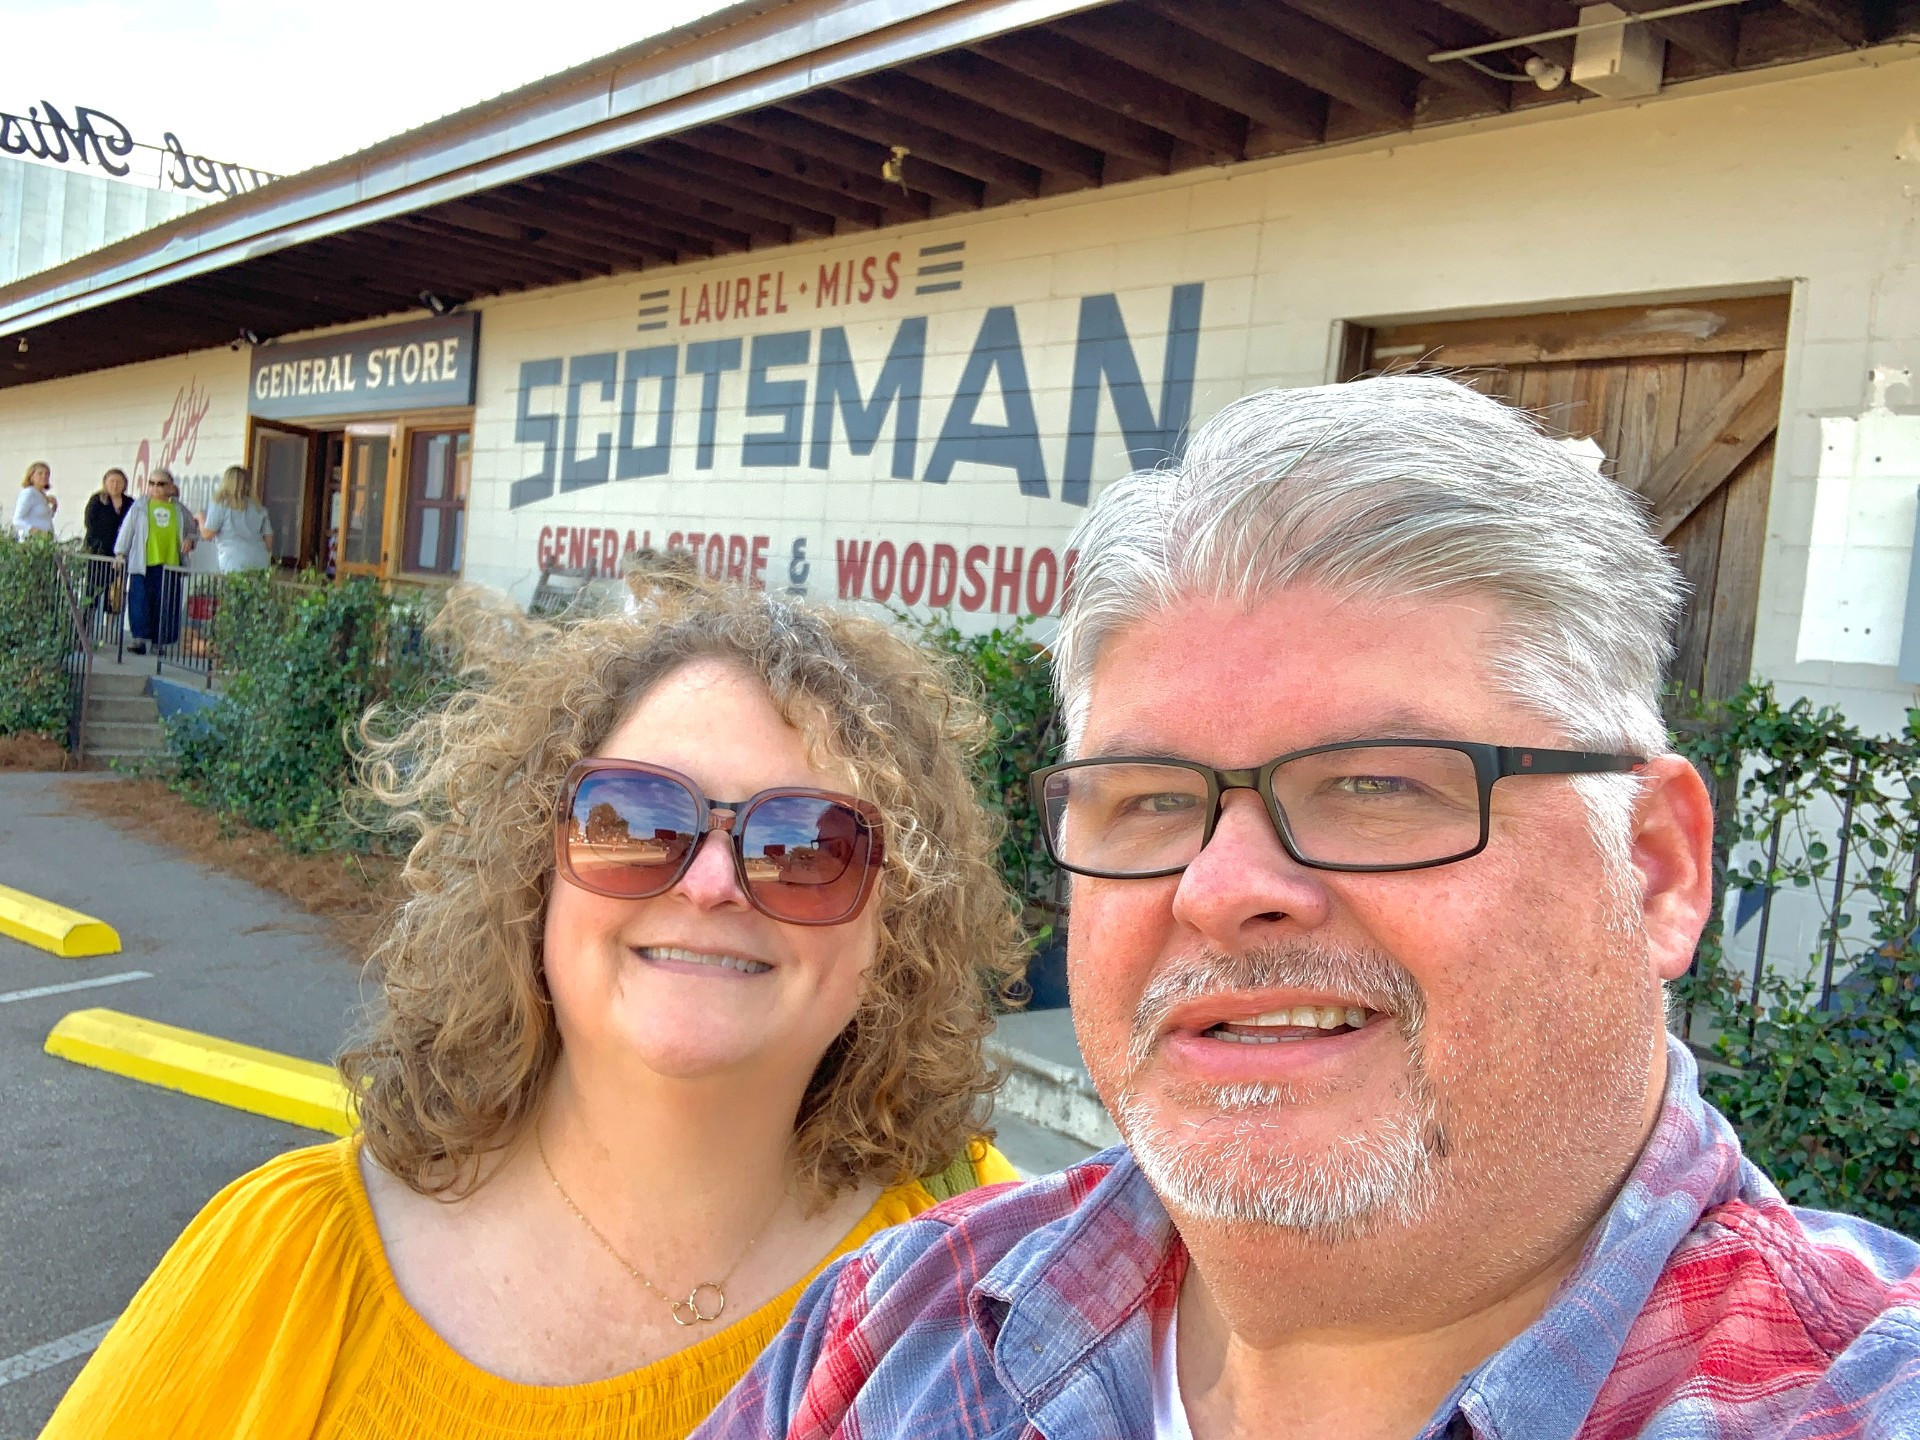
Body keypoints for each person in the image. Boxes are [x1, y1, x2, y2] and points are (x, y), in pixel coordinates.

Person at [702, 376, 1920, 1440]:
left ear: (1652, 871)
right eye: (1146, 800)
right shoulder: (898, 1325)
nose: (1223, 888)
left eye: (1377, 785)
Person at [42, 564, 1025, 1439]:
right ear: (535, 873)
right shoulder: (284, 1270)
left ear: (899, 922)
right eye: (634, 818)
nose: (712, 883)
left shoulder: (994, 1273)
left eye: (809, 845)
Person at [112, 468, 198, 654]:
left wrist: (190, 539)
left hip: (170, 564)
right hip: (143, 563)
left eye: (160, 484)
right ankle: (139, 640)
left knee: (167, 604)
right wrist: (120, 553)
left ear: (170, 487)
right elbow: (127, 529)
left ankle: (161, 642)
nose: (155, 488)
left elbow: (193, 530)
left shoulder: (179, 509)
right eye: (151, 483)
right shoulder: (140, 506)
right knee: (140, 602)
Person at [80, 467, 133, 627]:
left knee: (115, 594)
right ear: (105, 483)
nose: (115, 485)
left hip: (119, 555)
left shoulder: (130, 503)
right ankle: (86, 627)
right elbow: (90, 524)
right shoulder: (97, 500)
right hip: (99, 551)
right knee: (93, 591)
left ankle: (110, 631)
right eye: (112, 481)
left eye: (119, 482)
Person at [200, 462, 274, 572]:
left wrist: (200, 517)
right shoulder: (258, 507)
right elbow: (269, 541)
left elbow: (207, 534)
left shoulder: (221, 504)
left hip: (233, 561)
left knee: (234, 589)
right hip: (260, 560)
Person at [12, 459, 55, 540]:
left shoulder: (42, 495)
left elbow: (43, 518)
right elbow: (17, 520)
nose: (44, 476)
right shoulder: (28, 493)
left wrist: (54, 507)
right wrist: (38, 532)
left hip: (44, 543)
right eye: (40, 473)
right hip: (32, 542)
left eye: (47, 474)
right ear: (31, 476)